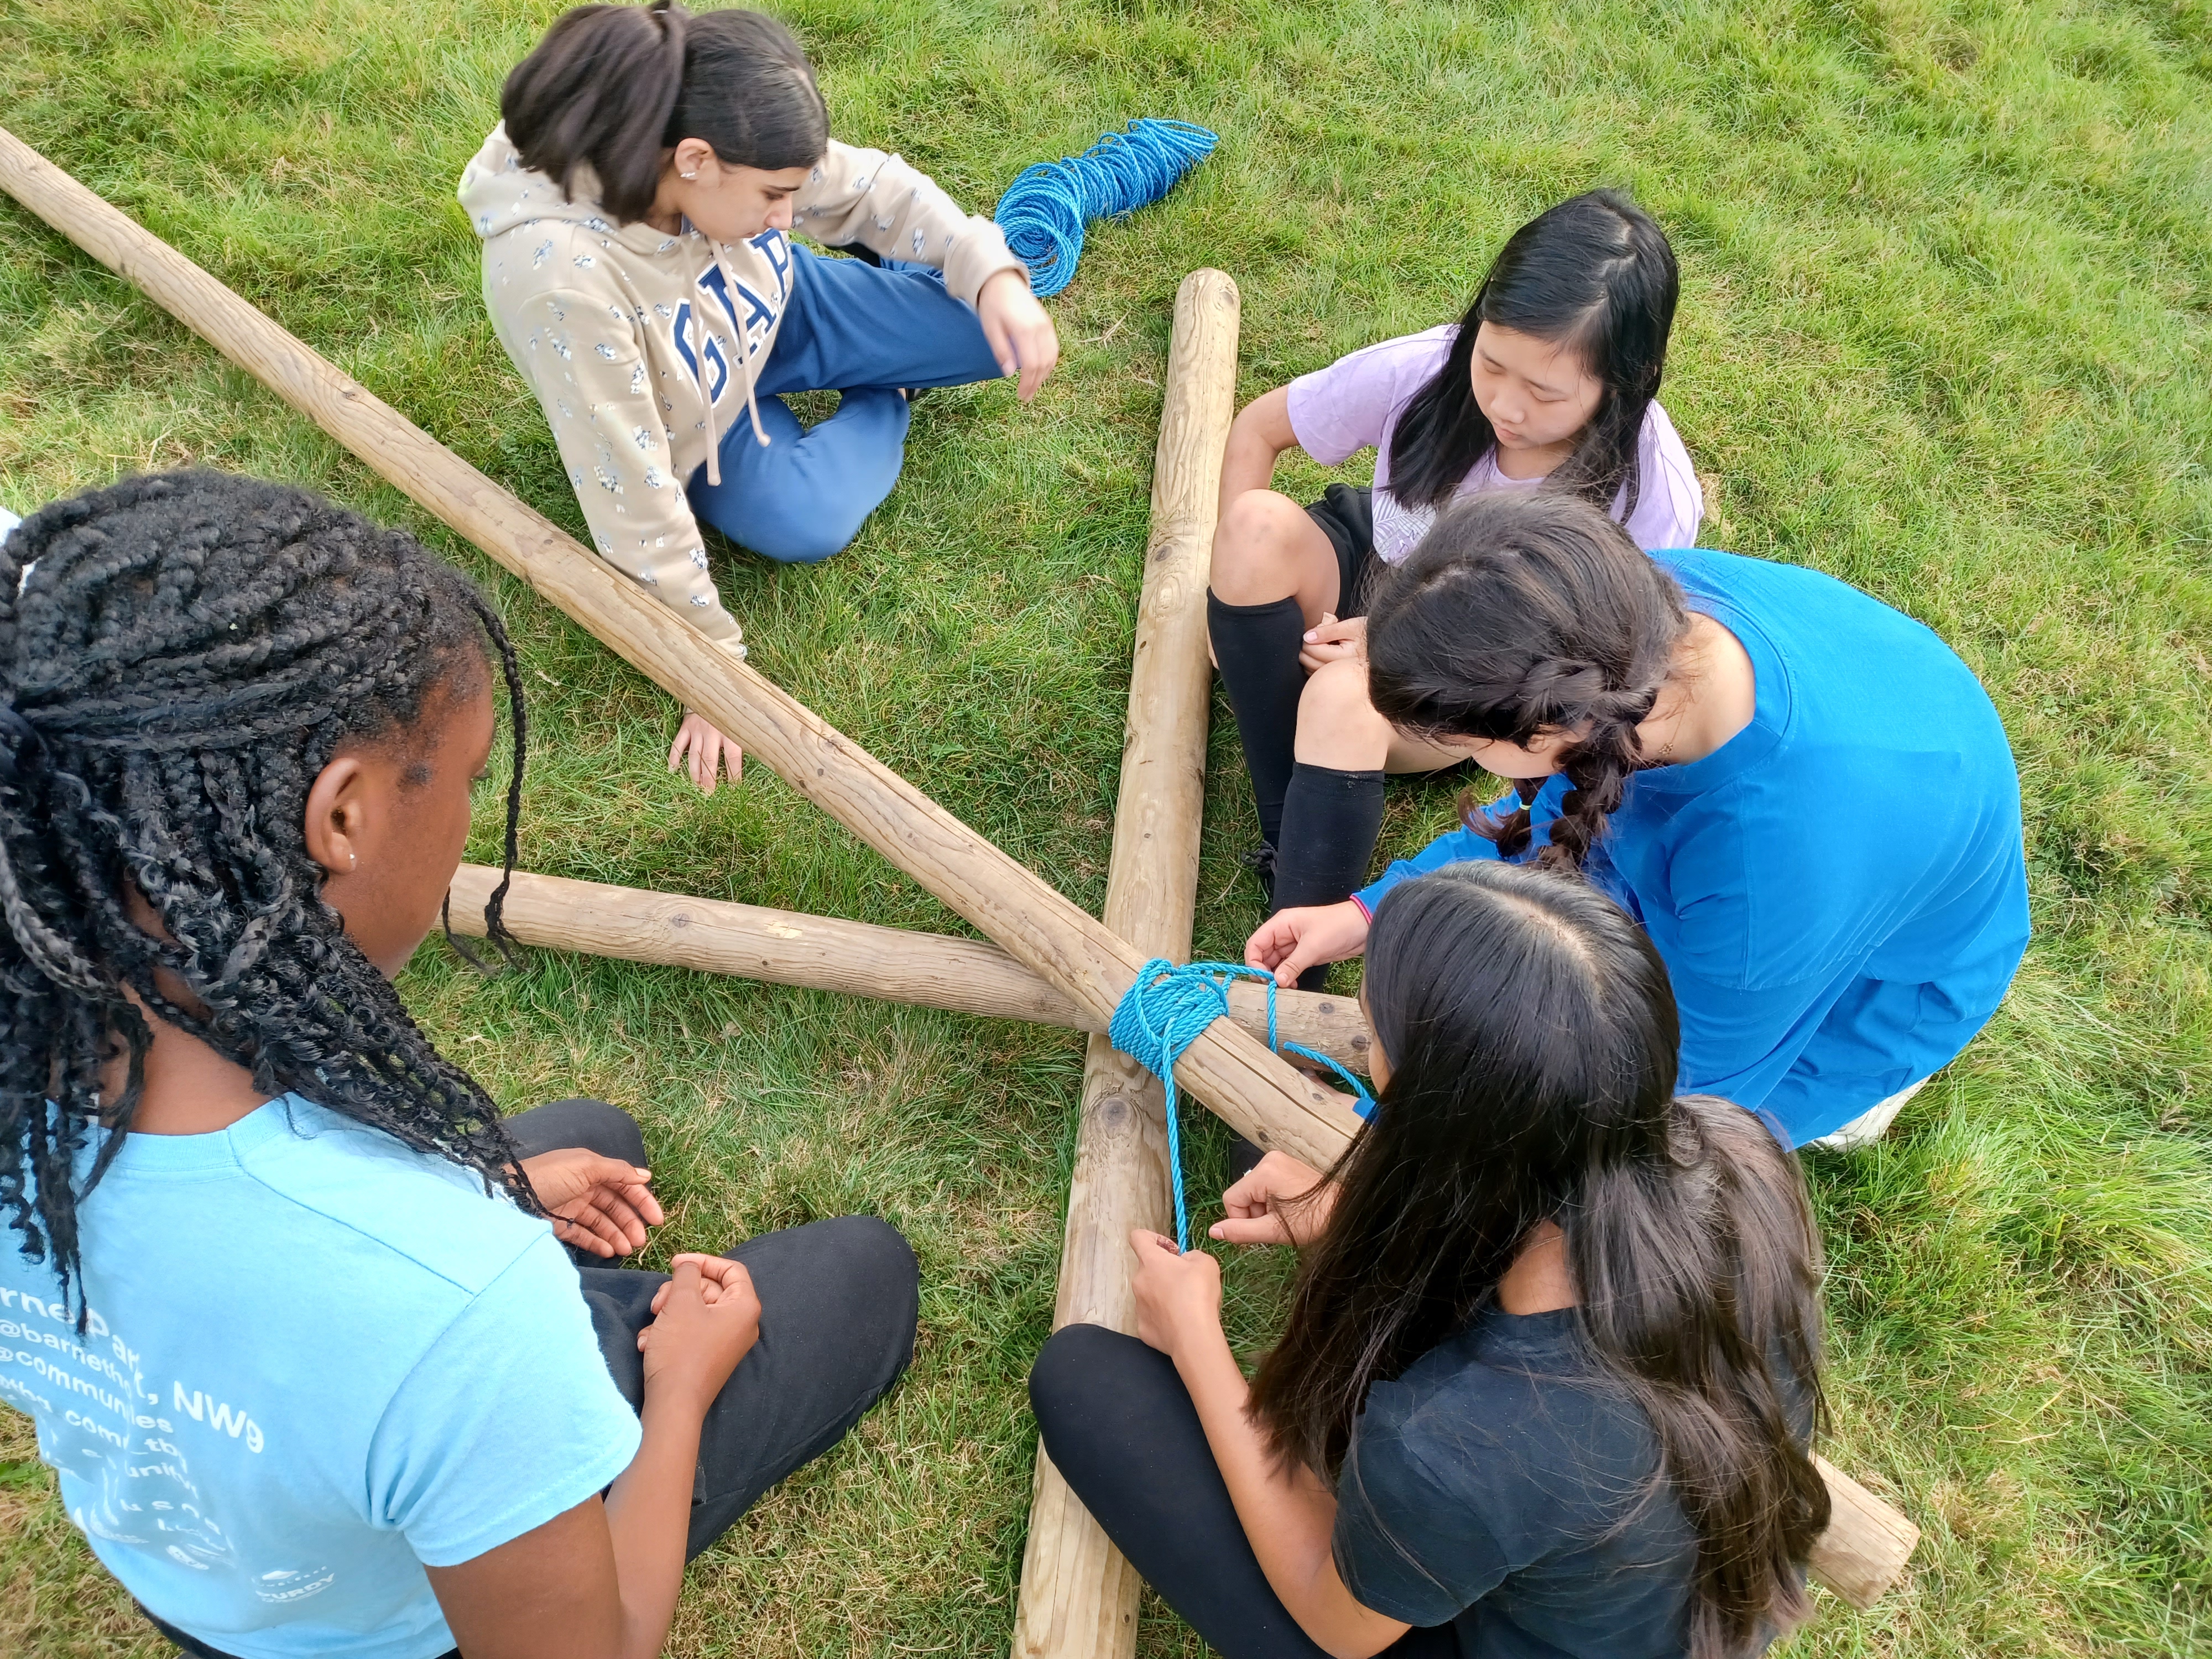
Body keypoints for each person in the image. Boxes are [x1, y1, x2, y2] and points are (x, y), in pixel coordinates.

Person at [0, 472, 918, 1659]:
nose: (472, 813)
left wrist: (498, 1191)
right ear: (342, 818)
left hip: (216, 1582)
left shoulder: (48, 1063)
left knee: (584, 1133)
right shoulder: (456, 1299)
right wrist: (681, 1384)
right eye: (470, 778)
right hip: (399, 1623)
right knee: (862, 1273)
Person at [1032, 860, 1832, 1659]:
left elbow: (1335, 1619)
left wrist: (1196, 1338)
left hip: (1434, 1615)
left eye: (1373, 1037)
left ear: (1446, 1122)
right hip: (1654, 1614)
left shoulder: (1456, 1446)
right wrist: (1359, 1215)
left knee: (1086, 1384)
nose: (1367, 1054)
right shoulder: (1738, 1160)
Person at [1247, 492, 2032, 1150]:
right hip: (1832, 830)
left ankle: (1861, 1102)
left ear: (1551, 730)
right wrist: (1366, 912)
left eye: (1461, 742)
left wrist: (1375, 1148)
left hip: (1867, 988)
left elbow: (1666, 1101)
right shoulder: (1624, 627)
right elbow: (1546, 819)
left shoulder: (1767, 875)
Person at [458, 1, 1060, 794]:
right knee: (807, 521)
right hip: (699, 419)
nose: (792, 216)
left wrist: (992, 276)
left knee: (996, 330)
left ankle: (901, 336)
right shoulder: (562, 283)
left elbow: (871, 189)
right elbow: (632, 496)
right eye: (775, 196)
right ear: (696, 161)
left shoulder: (693, 118)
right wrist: (713, 674)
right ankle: (890, 390)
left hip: (778, 307)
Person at [1206, 189, 1701, 947]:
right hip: (1368, 564)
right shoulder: (1425, 370)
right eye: (1492, 362)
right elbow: (1257, 429)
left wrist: (1396, 642)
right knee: (1254, 528)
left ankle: (1293, 891)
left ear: (1623, 382)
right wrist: (1228, 593)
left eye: (1544, 392)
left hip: (1475, 673)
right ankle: (1298, 773)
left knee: (1341, 697)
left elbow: (1617, 674)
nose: (1505, 404)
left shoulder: (1647, 493)